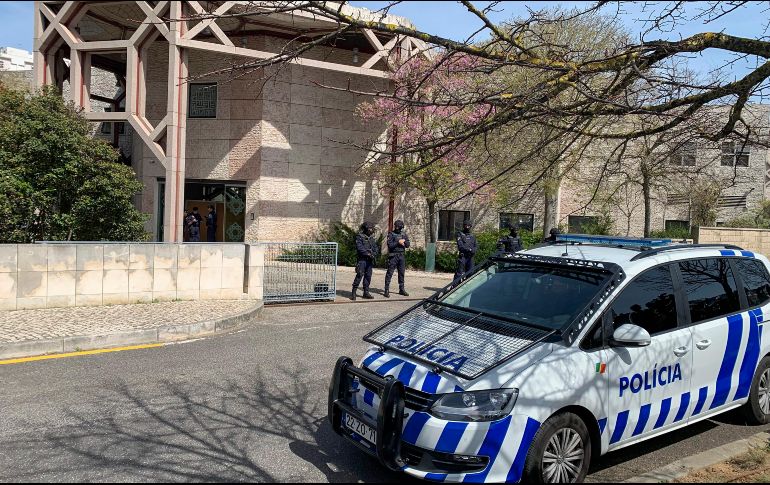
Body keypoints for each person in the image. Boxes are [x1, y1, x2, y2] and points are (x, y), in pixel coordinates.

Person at [351, 222, 379, 301]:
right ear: (366, 229)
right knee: (359, 275)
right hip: (362, 260)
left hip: (369, 261)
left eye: (372, 228)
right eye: (370, 228)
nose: (371, 230)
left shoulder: (371, 238)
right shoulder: (360, 237)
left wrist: (374, 254)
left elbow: (375, 248)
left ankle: (366, 292)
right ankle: (354, 292)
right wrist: (367, 253)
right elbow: (359, 248)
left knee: (368, 276)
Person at [384, 220, 410, 298]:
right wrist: (398, 242)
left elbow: (408, 245)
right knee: (390, 273)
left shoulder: (403, 234)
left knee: (401, 273)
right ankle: (386, 290)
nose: (398, 228)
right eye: (397, 227)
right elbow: (390, 245)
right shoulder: (391, 234)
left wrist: (404, 242)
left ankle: (401, 289)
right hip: (393, 256)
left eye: (399, 227)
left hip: (401, 256)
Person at [452, 219, 478, 287]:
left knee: (470, 273)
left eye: (468, 225)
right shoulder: (460, 234)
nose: (467, 227)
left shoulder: (473, 236)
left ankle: (467, 287)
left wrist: (474, 250)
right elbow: (461, 246)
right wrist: (469, 250)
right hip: (463, 257)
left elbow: (476, 246)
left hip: (470, 257)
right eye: (465, 225)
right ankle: (455, 287)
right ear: (463, 226)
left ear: (470, 226)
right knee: (459, 273)